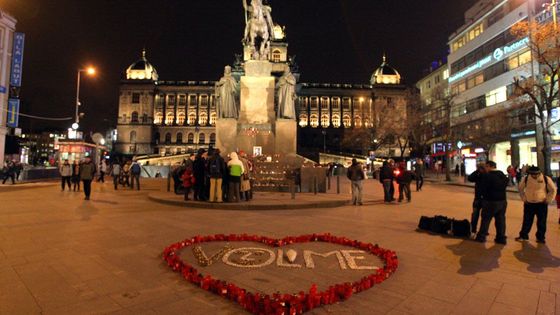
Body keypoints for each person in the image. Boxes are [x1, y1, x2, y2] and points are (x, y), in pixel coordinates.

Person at [515, 166, 556, 244]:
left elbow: (553, 190)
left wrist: (548, 199)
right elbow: (520, 189)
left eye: (536, 174)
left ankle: (540, 237)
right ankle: (524, 236)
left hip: (541, 204)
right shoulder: (526, 178)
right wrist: (524, 199)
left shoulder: (545, 178)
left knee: (542, 222)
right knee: (527, 221)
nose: (534, 176)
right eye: (532, 174)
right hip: (529, 203)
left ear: (539, 173)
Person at [475, 161, 509, 244]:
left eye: (486, 166)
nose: (485, 168)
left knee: (486, 219)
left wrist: (481, 196)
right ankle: (501, 238)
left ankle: (481, 236)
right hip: (502, 200)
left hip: (489, 201)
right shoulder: (501, 174)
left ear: (490, 166)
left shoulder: (487, 176)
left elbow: (482, 188)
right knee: (500, 220)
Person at [467, 163, 487, 235]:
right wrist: (477, 172)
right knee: (475, 215)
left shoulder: (487, 175)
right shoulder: (478, 174)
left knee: (484, 216)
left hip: (484, 198)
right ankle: (473, 229)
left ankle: (482, 230)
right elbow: (470, 178)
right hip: (478, 198)